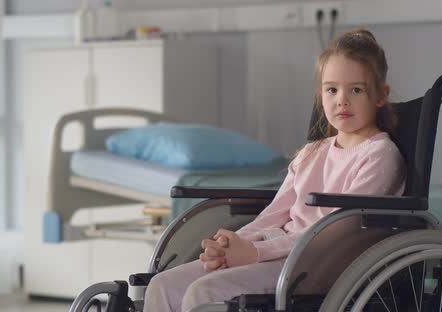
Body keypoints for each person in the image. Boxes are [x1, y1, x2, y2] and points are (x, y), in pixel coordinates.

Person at [143, 28, 406, 312]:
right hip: (279, 254)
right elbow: (274, 214)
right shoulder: (312, 152)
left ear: (381, 95)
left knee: (204, 291)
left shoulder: (380, 155)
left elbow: (336, 233)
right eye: (332, 89)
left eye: (356, 89)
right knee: (163, 286)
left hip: (319, 265)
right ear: (320, 94)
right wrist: (235, 244)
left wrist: (256, 252)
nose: (341, 99)